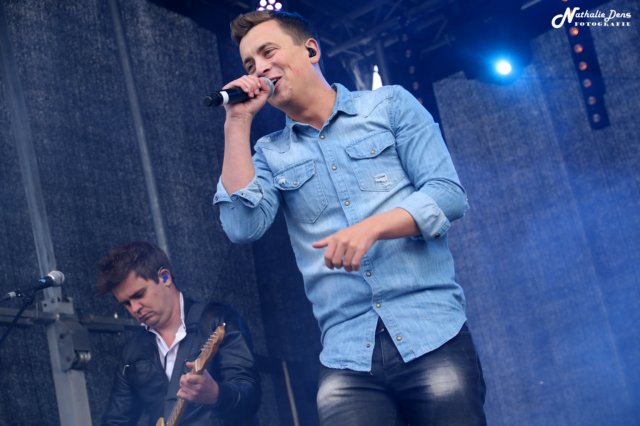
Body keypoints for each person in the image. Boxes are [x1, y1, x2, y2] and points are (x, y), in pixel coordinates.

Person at [214, 9, 486, 426]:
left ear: (311, 50)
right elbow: (240, 227)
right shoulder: (269, 153)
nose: (259, 69)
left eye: (268, 52)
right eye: (249, 64)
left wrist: (372, 228)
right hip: (347, 354)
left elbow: (448, 195)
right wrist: (237, 122)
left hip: (431, 329)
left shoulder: (389, 105)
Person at [96, 241, 260, 426]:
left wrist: (217, 394)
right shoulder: (132, 353)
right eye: (126, 303)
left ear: (165, 277)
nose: (134, 308)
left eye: (139, 295)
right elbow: (116, 421)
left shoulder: (217, 320)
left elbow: (250, 397)